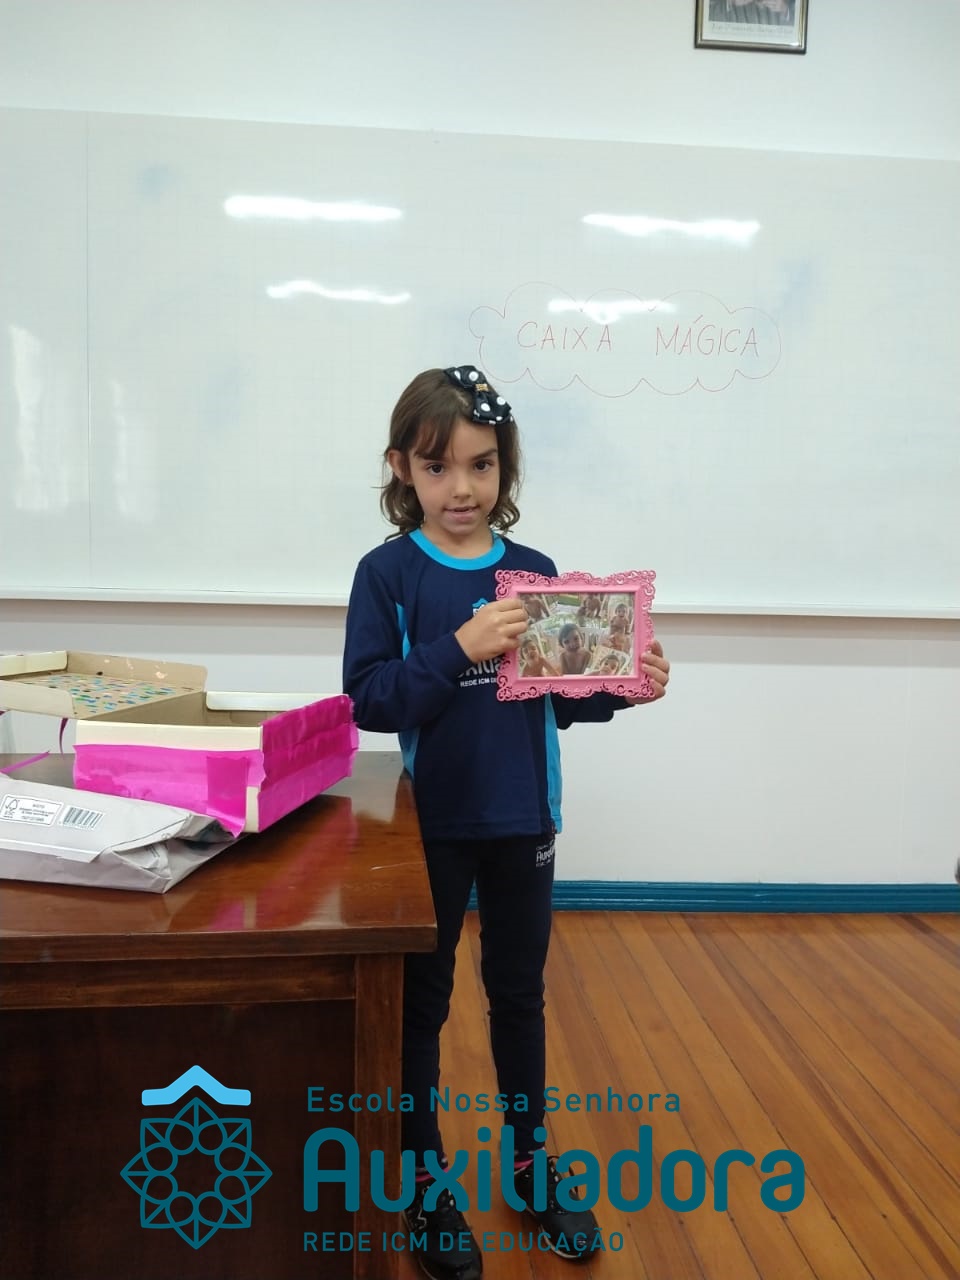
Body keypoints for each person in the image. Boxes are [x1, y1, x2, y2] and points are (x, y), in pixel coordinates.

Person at [342, 364, 669, 1280]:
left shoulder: (535, 575)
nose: (462, 488)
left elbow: (561, 698)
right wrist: (457, 648)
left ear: (504, 467)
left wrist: (625, 686)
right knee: (422, 1007)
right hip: (431, 828)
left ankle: (530, 1168)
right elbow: (370, 700)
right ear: (402, 468)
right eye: (438, 466)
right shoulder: (387, 574)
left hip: (525, 818)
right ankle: (424, 1183)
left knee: (519, 996)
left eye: (481, 466)